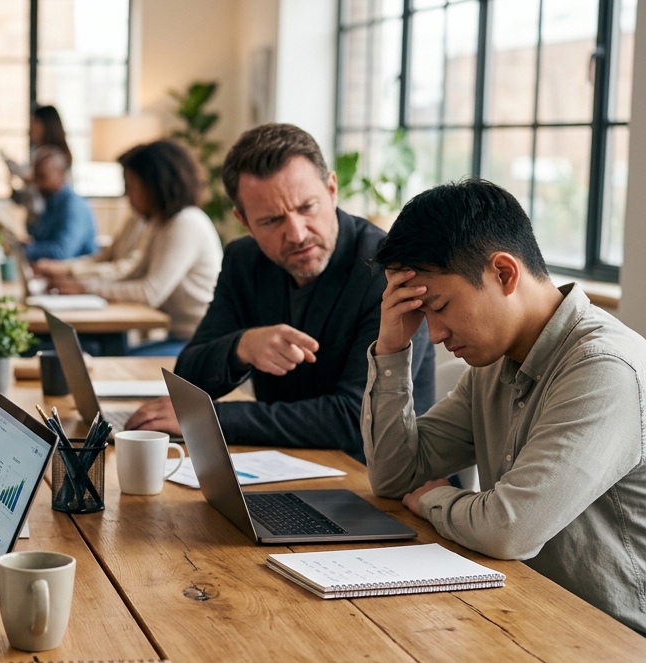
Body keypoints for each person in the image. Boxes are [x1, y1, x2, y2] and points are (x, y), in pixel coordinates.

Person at [366, 179, 646, 635]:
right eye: (421, 313)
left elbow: (508, 529)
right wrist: (392, 348)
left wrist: (435, 498)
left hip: (612, 644)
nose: (433, 334)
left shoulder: (604, 369)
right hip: (521, 614)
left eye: (438, 305)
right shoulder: (494, 365)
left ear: (503, 273)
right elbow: (395, 476)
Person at [125, 123, 435, 459]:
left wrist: (209, 419)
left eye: (306, 207)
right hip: (287, 464)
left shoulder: (387, 271)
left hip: (384, 476)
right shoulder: (244, 260)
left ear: (332, 190)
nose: (297, 234)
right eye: (271, 220)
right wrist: (242, 346)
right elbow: (189, 378)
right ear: (244, 221)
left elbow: (355, 418)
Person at [34, 140, 223, 356]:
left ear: (153, 185)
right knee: (101, 353)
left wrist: (85, 288)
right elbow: (134, 274)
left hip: (200, 344)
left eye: (131, 186)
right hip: (180, 337)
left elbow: (149, 292)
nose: (127, 195)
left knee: (110, 360)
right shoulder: (160, 223)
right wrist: (78, 284)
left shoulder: (185, 223)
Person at [24, 144, 97, 262]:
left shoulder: (73, 206)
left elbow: (62, 252)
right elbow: (40, 237)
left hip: (77, 271)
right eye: (36, 177)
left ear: (60, 174)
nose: (37, 184)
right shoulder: (51, 202)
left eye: (42, 177)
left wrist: (25, 250)